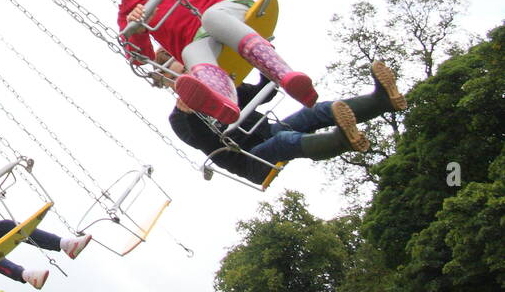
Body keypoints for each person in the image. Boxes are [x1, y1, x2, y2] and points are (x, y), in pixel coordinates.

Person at [72, 0, 316, 125]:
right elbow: (139, 56)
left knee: (211, 18)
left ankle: (284, 74)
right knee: (190, 52)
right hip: (208, 45)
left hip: (230, 13)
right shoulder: (128, 14)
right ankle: (225, 103)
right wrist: (136, 28)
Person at [167, 59, 407, 180]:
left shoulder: (221, 88)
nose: (189, 78)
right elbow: (208, 145)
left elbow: (265, 93)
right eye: (179, 78)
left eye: (187, 71)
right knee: (284, 140)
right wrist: (192, 114)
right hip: (248, 160)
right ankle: (341, 139)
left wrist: (261, 64)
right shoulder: (180, 118)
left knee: (313, 112)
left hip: (268, 130)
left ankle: (382, 100)